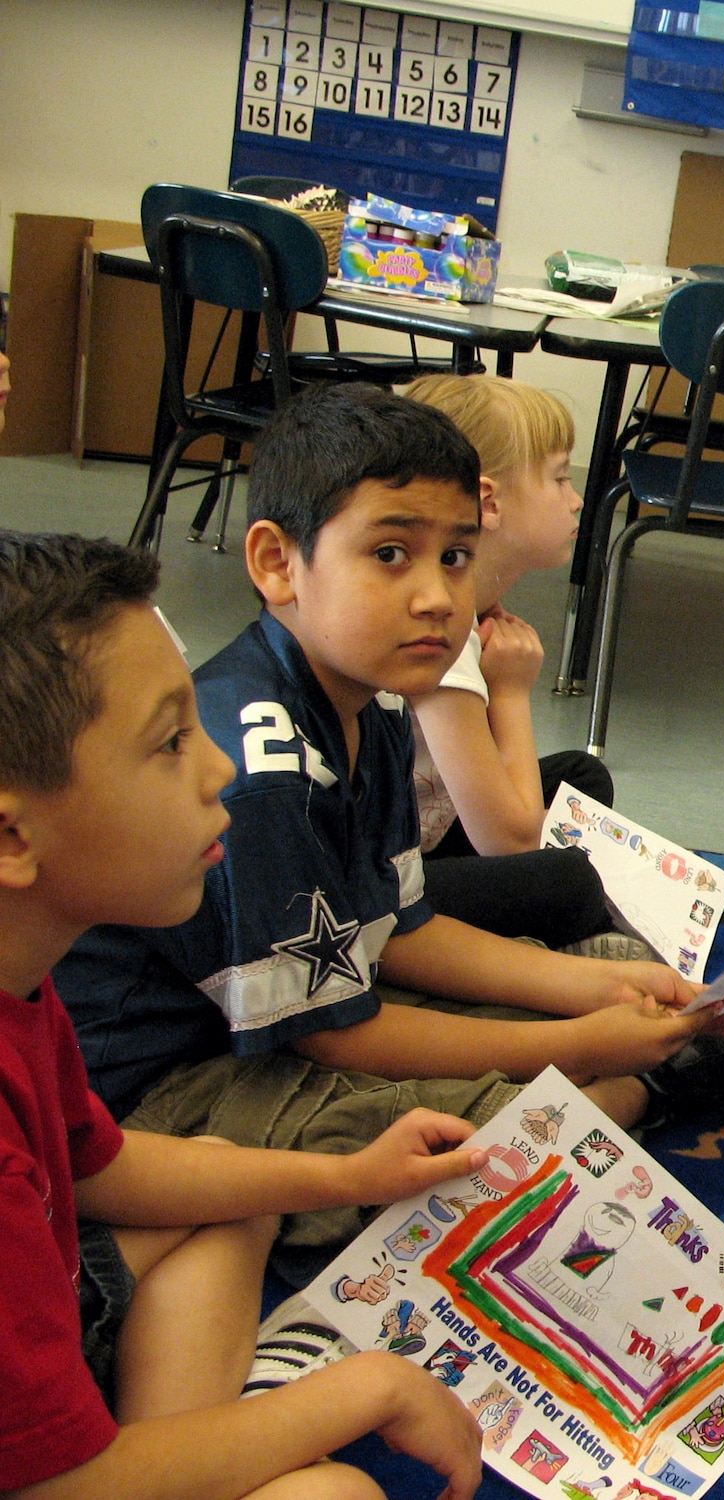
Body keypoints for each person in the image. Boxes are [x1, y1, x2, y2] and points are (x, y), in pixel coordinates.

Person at [54, 384, 724, 1267]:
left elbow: (404, 931)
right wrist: (576, 1045)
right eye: (392, 553)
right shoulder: (264, 775)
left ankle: (617, 1075)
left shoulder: (381, 703)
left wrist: (589, 999)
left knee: (617, 974)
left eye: (455, 558)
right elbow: (332, 1033)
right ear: (279, 563)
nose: (438, 597)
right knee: (462, 1139)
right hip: (171, 1086)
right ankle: (640, 1095)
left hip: (297, 1013)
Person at [0, 529, 486, 1500]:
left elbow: (104, 1166)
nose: (219, 767)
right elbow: (64, 1482)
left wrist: (345, 1173)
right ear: (12, 833)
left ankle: (193, 1456)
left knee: (230, 1184)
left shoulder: (22, 979)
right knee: (335, 1495)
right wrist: (368, 1390)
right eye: (171, 741)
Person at [399, 373, 624, 953]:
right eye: (558, 477)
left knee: (581, 776)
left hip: (422, 831)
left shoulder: (468, 614)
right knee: (564, 878)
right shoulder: (436, 633)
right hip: (377, 883)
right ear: (489, 501)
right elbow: (510, 842)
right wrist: (511, 693)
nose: (575, 498)